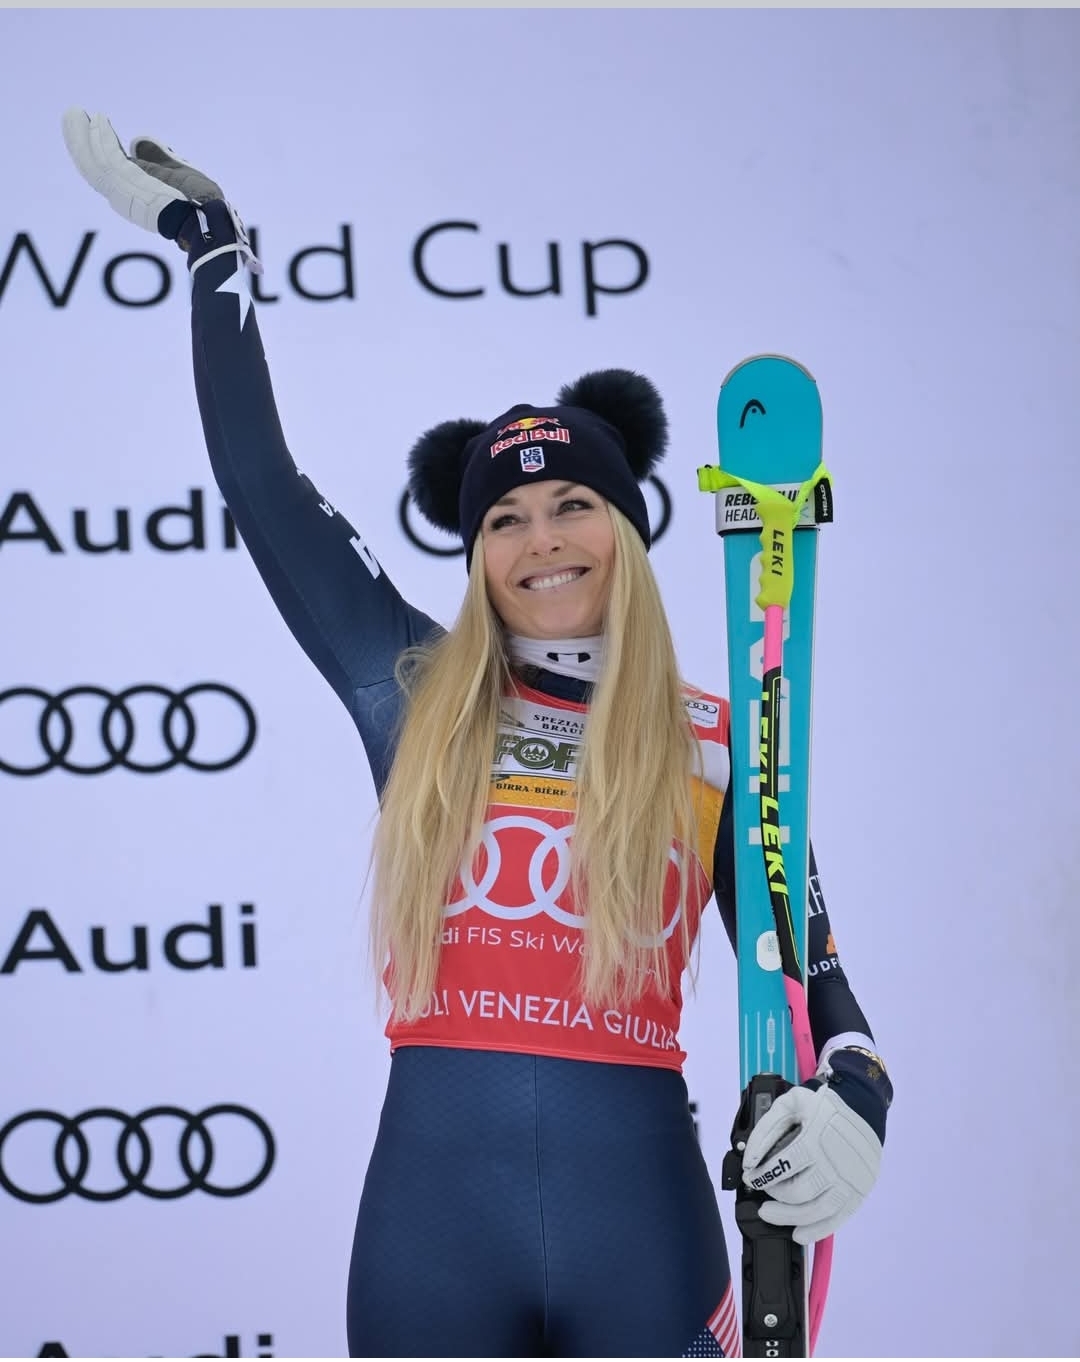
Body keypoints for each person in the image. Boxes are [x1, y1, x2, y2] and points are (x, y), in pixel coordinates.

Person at [61, 109, 893, 1359]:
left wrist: (859, 1101)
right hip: (432, 1234)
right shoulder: (412, 687)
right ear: (477, 557)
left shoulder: (722, 743)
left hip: (643, 1230)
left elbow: (818, 981)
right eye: (503, 519)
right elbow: (263, 485)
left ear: (627, 530)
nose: (541, 538)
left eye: (573, 503)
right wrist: (212, 247)